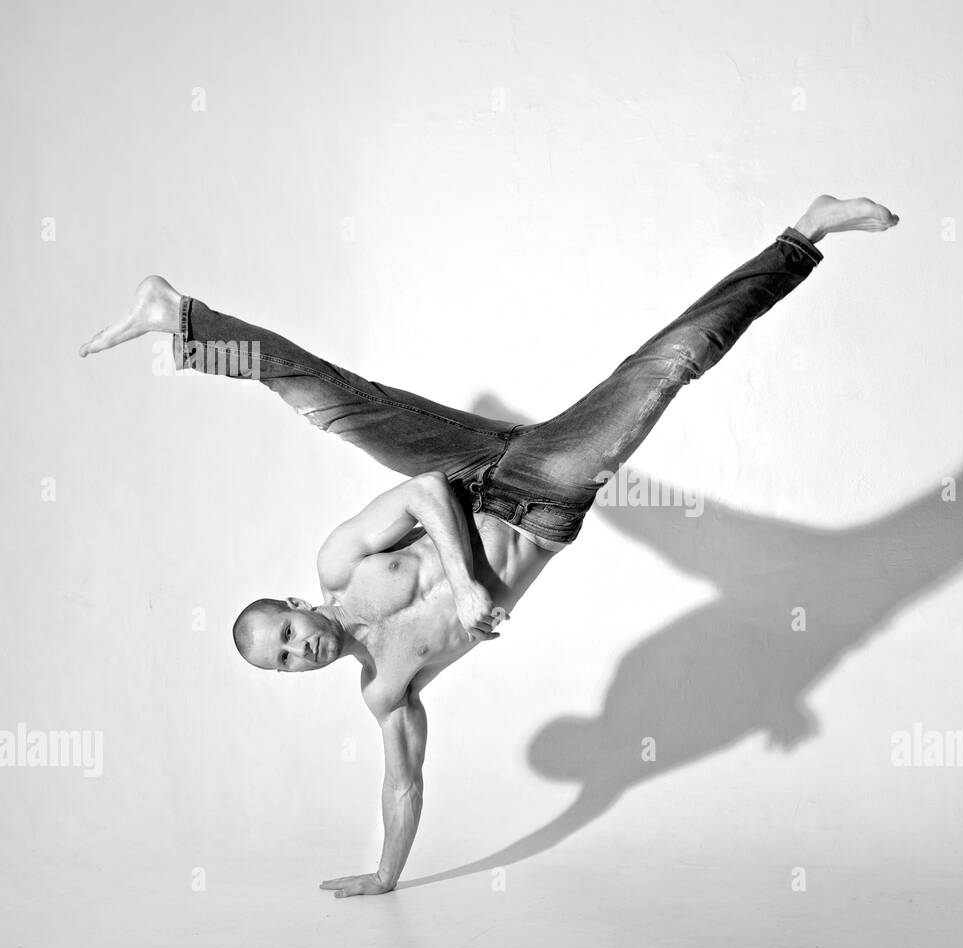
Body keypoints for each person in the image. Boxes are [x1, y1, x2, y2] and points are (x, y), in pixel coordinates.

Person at [78, 193, 900, 896]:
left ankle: (180, 320)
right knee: (670, 366)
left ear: (295, 606)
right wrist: (386, 875)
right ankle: (807, 233)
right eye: (285, 661)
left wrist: (469, 586)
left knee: (335, 404)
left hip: (463, 468)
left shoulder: (340, 567)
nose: (300, 649)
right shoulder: (387, 690)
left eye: (286, 633)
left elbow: (429, 493)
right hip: (543, 498)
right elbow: (405, 784)